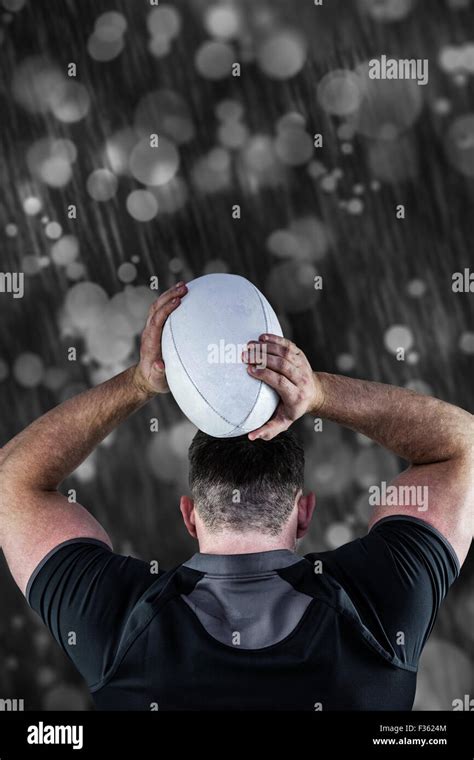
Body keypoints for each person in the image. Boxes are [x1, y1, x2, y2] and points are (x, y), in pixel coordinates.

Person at [0, 282, 472, 710]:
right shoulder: (382, 605)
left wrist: (139, 383)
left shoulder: (117, 626)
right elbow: (462, 450)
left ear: (189, 515)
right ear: (304, 512)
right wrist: (320, 393)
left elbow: (11, 480)